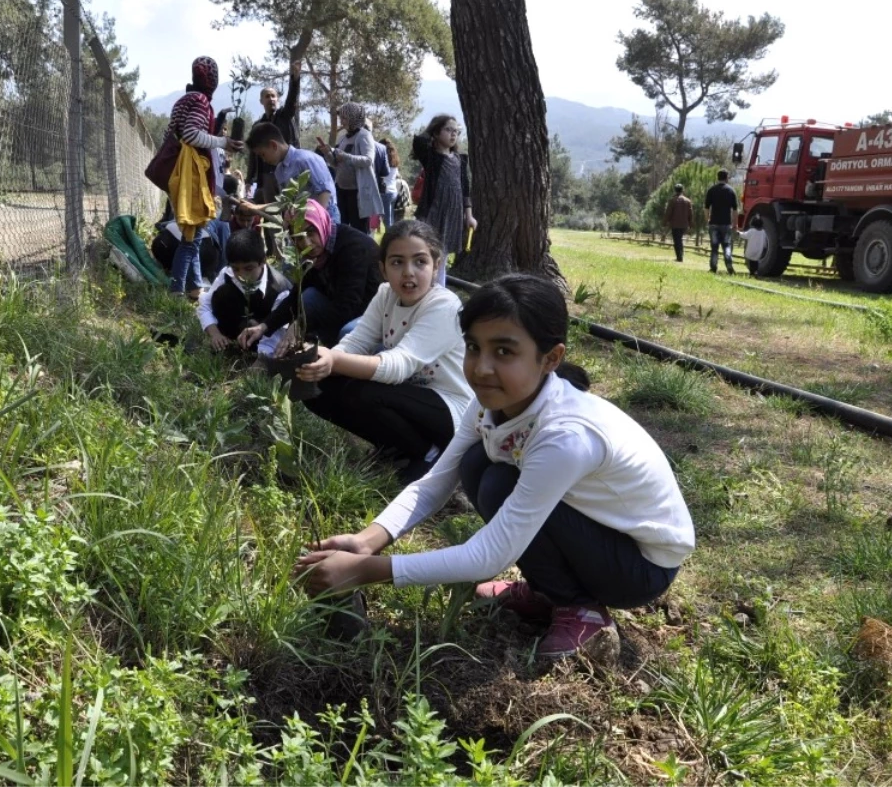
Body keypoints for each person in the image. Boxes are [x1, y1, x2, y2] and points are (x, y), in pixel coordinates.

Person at [294, 273, 695, 661]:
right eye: (473, 347)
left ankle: (580, 608)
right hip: (599, 530)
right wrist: (367, 541)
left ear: (550, 358)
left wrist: (366, 570)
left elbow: (488, 555)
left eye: (504, 351)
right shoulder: (493, 399)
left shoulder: (566, 436)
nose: (481, 367)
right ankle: (549, 590)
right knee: (478, 467)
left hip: (639, 567)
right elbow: (436, 479)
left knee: (499, 482)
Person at [295, 220, 472, 484]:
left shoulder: (444, 305)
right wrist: (325, 360)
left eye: (420, 262)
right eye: (397, 262)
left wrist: (334, 359)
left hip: (450, 409)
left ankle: (428, 453)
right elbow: (357, 341)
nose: (408, 272)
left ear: (436, 266)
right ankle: (394, 445)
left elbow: (398, 365)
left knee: (367, 392)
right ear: (383, 268)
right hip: (407, 394)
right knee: (315, 386)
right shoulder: (385, 294)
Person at [238, 199, 379, 351]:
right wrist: (263, 327)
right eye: (298, 237)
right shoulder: (312, 255)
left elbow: (348, 308)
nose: (306, 243)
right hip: (340, 306)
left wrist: (299, 325)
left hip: (373, 313)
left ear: (321, 224)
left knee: (347, 332)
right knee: (308, 296)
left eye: (311, 232)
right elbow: (295, 297)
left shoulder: (352, 248)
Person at [167, 56, 243, 300]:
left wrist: (217, 119)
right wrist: (223, 141)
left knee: (195, 235)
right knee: (191, 237)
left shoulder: (185, 99)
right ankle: (176, 291)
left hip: (182, 171)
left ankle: (194, 287)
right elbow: (191, 134)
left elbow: (181, 131)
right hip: (192, 175)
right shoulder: (200, 101)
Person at [199, 228, 292, 357]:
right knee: (224, 293)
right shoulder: (227, 273)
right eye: (236, 269)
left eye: (248, 268)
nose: (241, 275)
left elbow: (277, 333)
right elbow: (205, 304)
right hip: (232, 330)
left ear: (263, 261)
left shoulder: (280, 289)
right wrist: (215, 334)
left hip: (263, 337)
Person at [412, 115, 476, 286]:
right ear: (436, 132)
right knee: (425, 250)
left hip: (453, 213)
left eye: (456, 131)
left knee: (443, 253)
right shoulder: (431, 158)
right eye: (448, 130)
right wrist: (431, 131)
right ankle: (422, 284)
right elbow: (418, 141)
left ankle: (438, 288)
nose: (453, 134)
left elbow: (465, 189)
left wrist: (468, 215)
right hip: (432, 211)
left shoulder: (460, 160)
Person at [242, 122, 340, 224]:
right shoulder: (279, 171)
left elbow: (325, 193)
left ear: (273, 145)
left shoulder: (305, 159)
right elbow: (285, 203)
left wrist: (315, 223)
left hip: (325, 218)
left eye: (263, 155)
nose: (264, 160)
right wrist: (256, 208)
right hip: (302, 220)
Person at [316, 102, 384, 234]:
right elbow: (336, 164)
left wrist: (345, 156)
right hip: (342, 190)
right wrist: (328, 153)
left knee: (359, 231)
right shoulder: (344, 138)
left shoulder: (364, 135)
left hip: (357, 193)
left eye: (345, 118)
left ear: (353, 118)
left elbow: (368, 160)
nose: (342, 121)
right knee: (343, 229)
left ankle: (363, 254)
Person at [246, 60, 302, 211]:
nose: (271, 99)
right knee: (272, 215)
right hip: (268, 176)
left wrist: (295, 80)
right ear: (261, 101)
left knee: (291, 210)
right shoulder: (258, 126)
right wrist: (249, 179)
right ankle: (273, 236)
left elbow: (291, 101)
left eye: (273, 96)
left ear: (277, 99)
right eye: (267, 96)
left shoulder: (284, 116)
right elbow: (253, 154)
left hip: (288, 170)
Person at [704, 169, 739, 275]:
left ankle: (713, 268)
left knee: (714, 247)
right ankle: (729, 267)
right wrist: (735, 223)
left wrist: (707, 220)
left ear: (718, 177)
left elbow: (706, 207)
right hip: (726, 224)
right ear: (726, 177)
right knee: (727, 245)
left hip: (714, 223)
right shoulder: (731, 191)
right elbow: (735, 210)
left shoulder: (711, 190)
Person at [664, 183, 693, 263]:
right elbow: (690, 213)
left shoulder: (673, 200)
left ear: (675, 190)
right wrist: (691, 224)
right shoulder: (688, 201)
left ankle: (679, 257)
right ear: (682, 190)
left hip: (675, 224)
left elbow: (668, 212)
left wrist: (665, 222)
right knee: (679, 239)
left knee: (677, 240)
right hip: (684, 224)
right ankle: (680, 255)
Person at [377, 137, 401, 231]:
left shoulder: (383, 160)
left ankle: (390, 239)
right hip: (393, 192)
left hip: (385, 192)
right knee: (390, 219)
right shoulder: (394, 160)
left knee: (387, 222)